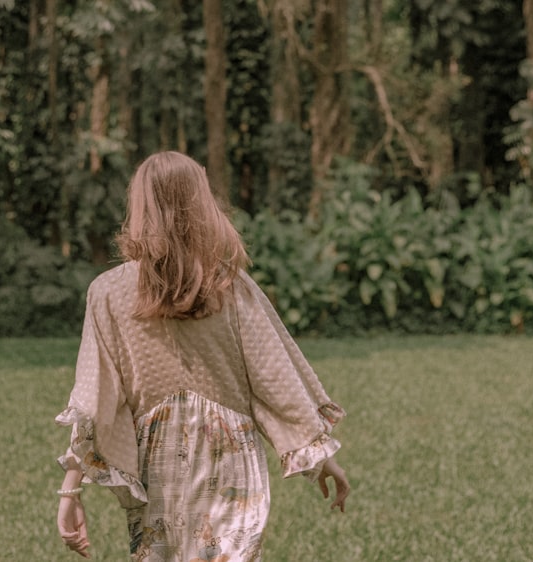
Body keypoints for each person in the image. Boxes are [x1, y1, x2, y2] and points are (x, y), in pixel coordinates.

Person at [55, 151, 350, 561]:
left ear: (139, 206)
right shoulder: (230, 285)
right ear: (201, 203)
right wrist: (321, 456)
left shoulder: (108, 292)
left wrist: (71, 490)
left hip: (158, 464)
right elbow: (275, 381)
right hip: (231, 459)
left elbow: (95, 399)